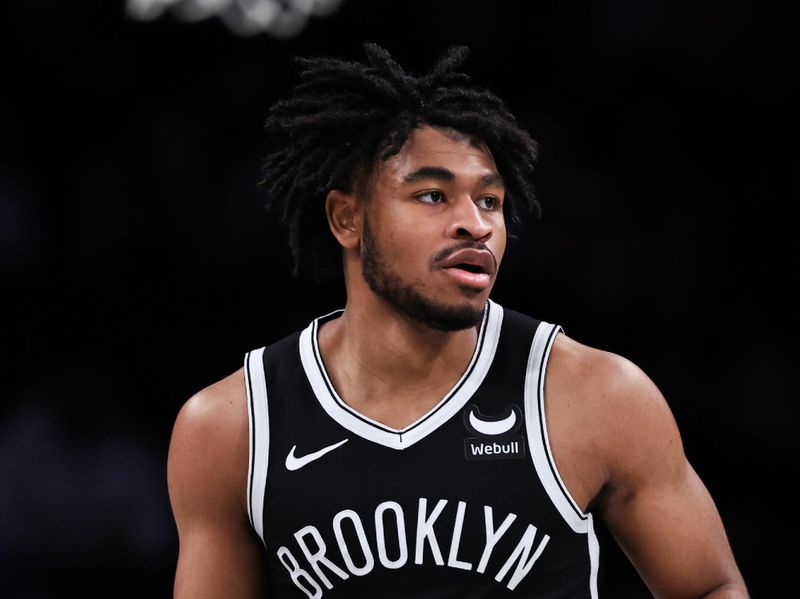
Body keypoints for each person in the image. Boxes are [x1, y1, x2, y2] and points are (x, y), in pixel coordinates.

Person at [167, 43, 749, 598]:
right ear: (347, 219)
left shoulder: (595, 395)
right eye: (432, 196)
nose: (475, 224)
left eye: (490, 200)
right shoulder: (230, 428)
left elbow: (710, 587)